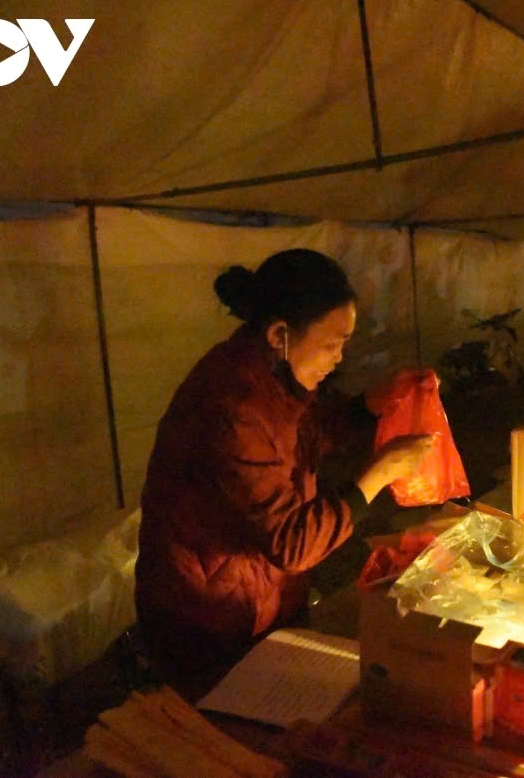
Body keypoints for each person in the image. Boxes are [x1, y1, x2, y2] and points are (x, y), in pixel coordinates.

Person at [135, 249, 435, 681]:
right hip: (206, 620)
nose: (338, 358)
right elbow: (291, 543)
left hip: (258, 596)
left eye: (345, 344)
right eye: (332, 344)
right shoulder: (233, 407)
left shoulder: (271, 377)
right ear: (280, 335)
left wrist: (372, 406)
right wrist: (377, 476)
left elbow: (305, 434)